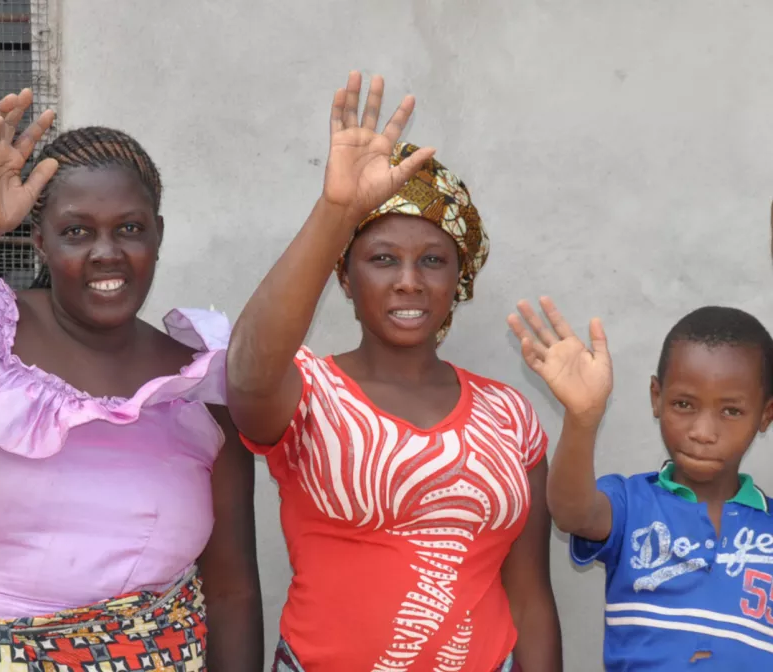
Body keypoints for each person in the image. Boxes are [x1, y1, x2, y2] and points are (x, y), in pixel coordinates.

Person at [0, 89, 262, 671]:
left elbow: (233, 593)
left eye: (129, 229)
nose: (106, 253)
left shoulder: (198, 387)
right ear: (40, 239)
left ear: (157, 235)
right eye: (77, 232)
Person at [226, 71, 562, 672]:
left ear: (457, 283)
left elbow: (531, 597)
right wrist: (336, 211)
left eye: (432, 260)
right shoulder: (307, 391)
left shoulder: (510, 415)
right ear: (345, 278)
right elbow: (246, 373)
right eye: (382, 259)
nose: (409, 279)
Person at [508, 298, 773, 670]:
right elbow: (572, 513)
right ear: (656, 397)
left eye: (731, 411)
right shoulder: (630, 503)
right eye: (684, 404)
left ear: (765, 415)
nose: (703, 432)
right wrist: (583, 418)